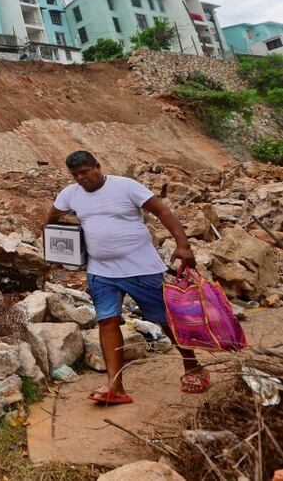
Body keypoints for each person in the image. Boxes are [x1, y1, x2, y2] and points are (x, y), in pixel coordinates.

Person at [44, 150, 207, 405]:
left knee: (165, 320)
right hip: (100, 271)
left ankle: (193, 366)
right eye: (75, 175)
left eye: (85, 172)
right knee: (107, 322)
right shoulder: (70, 194)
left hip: (141, 269)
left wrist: (183, 244)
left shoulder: (126, 187)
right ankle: (115, 386)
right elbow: (51, 218)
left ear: (98, 166)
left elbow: (162, 212)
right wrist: (59, 245)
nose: (81, 178)